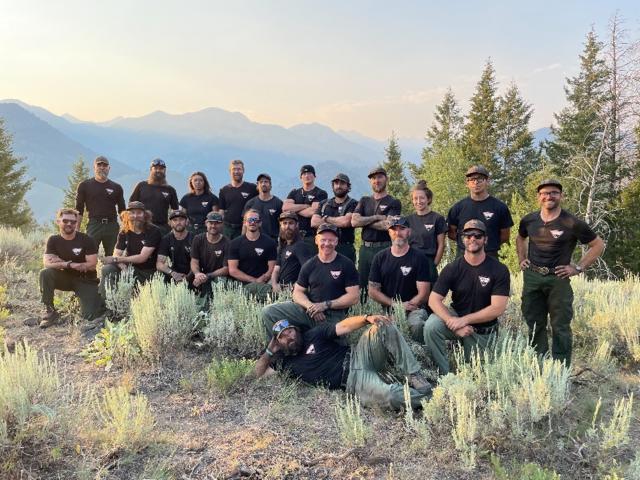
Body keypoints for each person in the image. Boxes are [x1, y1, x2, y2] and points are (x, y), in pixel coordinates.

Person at [255, 316, 432, 410]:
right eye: (283, 336)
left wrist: (367, 318)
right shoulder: (286, 364)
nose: (290, 336)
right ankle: (434, 399)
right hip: (354, 381)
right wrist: (269, 352)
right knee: (393, 396)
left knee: (382, 325)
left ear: (296, 330)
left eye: (290, 331)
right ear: (278, 343)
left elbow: (344, 326)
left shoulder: (314, 334)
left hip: (359, 354)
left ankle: (414, 375)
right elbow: (258, 375)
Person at [516, 179, 605, 366]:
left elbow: (598, 245)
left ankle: (560, 369)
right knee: (534, 323)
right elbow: (520, 237)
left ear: (561, 196)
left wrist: (578, 267)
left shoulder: (571, 222)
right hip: (532, 276)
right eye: (545, 193)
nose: (549, 196)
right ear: (539, 197)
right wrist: (521, 258)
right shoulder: (529, 220)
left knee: (560, 326)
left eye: (554, 193)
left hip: (559, 279)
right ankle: (539, 364)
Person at [425, 220, 510, 375]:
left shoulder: (499, 269)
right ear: (462, 239)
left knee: (476, 376)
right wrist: (454, 323)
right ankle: (444, 376)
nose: (472, 239)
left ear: (485, 239)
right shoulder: (452, 268)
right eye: (468, 235)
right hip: (457, 320)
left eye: (477, 235)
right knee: (431, 326)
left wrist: (465, 320)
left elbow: (498, 308)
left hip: (482, 330)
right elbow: (433, 300)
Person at [261, 223, 359, 338]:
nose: (327, 244)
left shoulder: (346, 264)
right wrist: (311, 307)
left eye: (331, 240)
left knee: (325, 345)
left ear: (336, 242)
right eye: (323, 240)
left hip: (334, 315)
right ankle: (277, 349)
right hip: (310, 312)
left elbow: (354, 297)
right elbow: (297, 292)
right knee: (268, 312)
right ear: (316, 241)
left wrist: (325, 305)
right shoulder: (310, 265)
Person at [368, 217, 435, 343]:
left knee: (416, 325)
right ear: (389, 232)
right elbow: (372, 291)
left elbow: (424, 294)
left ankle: (421, 355)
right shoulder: (379, 258)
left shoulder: (419, 258)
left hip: (414, 309)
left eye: (402, 229)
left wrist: (403, 309)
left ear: (409, 232)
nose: (398, 233)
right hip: (387, 309)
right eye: (394, 229)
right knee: (377, 331)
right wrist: (396, 305)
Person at [37, 208, 105, 329]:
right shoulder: (53, 240)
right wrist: (69, 265)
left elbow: (91, 265)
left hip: (86, 279)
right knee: (46, 273)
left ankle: (85, 301)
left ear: (76, 223)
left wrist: (60, 262)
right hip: (65, 278)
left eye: (73, 222)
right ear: (58, 222)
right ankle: (50, 311)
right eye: (65, 221)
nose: (69, 224)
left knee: (90, 315)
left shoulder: (86, 239)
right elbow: (47, 263)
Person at [351, 166, 402, 300]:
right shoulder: (364, 200)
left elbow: (388, 225)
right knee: (363, 285)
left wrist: (365, 221)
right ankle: (364, 315)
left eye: (380, 177)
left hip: (384, 247)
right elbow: (354, 222)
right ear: (370, 182)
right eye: (373, 178)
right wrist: (376, 217)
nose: (376, 181)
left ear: (386, 179)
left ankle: (388, 313)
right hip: (365, 249)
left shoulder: (394, 202)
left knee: (385, 282)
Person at [100, 201, 162, 299]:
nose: (135, 216)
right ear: (127, 215)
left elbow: (142, 258)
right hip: (130, 269)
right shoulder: (124, 232)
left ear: (145, 215)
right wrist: (123, 267)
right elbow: (116, 253)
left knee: (145, 299)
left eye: (139, 213)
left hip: (149, 272)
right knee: (107, 269)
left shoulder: (153, 231)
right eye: (132, 213)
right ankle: (108, 305)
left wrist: (117, 260)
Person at [447, 165, 513, 258]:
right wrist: (471, 245)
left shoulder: (500, 207)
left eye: (480, 179)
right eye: (472, 179)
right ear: (467, 183)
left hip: (490, 255)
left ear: (487, 181)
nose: (476, 182)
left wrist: (485, 245)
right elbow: (451, 234)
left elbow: (505, 236)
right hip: (463, 256)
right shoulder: (458, 208)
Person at [75, 156, 126, 256]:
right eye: (99, 165)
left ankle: (111, 272)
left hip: (112, 226)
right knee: (90, 254)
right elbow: (79, 209)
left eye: (105, 165)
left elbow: (122, 210)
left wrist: (126, 228)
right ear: (94, 167)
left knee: (114, 256)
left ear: (109, 168)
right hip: (94, 225)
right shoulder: (84, 185)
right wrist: (76, 229)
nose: (102, 167)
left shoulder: (116, 187)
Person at [227, 209, 278, 300]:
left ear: (260, 223)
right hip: (241, 284)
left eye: (256, 220)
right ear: (245, 223)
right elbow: (232, 270)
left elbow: (272, 268)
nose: (252, 223)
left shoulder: (270, 243)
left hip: (264, 283)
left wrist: (263, 278)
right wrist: (254, 281)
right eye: (250, 220)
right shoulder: (235, 243)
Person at [311, 173, 358, 263]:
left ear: (348, 187)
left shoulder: (353, 203)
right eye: (336, 183)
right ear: (333, 186)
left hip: (345, 248)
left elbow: (346, 222)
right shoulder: (324, 203)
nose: (338, 186)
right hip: (325, 248)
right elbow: (314, 222)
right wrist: (337, 221)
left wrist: (325, 218)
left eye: (342, 184)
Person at [406, 180, 446, 280]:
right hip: (410, 262)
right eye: (415, 198)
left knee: (430, 295)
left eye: (422, 198)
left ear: (428, 199)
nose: (418, 201)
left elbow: (441, 244)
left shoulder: (437, 218)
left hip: (428, 262)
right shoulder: (407, 220)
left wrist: (434, 265)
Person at [283, 164, 328, 252]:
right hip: (294, 235)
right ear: (301, 177)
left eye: (309, 173)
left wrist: (294, 210)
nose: (307, 176)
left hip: (311, 236)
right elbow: (285, 208)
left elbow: (312, 211)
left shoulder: (320, 193)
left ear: (314, 176)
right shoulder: (294, 192)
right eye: (304, 174)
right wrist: (305, 206)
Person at [129, 158, 179, 235]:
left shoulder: (170, 189)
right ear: (150, 169)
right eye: (155, 168)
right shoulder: (141, 186)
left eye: (161, 169)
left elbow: (175, 210)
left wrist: (172, 223)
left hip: (163, 228)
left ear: (164, 171)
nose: (158, 170)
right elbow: (131, 205)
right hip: (142, 226)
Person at [271, 212, 314, 294]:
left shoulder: (301, 246)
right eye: (284, 223)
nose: (287, 226)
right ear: (281, 225)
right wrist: (274, 285)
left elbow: (307, 271)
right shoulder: (282, 246)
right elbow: (276, 269)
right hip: (279, 288)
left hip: (293, 292)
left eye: (291, 223)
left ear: (296, 225)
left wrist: (293, 287)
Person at [190, 211, 229, 301]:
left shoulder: (227, 242)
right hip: (200, 275)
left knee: (221, 282)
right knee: (189, 280)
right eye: (211, 223)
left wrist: (208, 276)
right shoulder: (198, 239)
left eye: (217, 223)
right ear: (206, 223)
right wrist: (197, 274)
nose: (213, 226)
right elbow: (194, 261)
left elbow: (226, 269)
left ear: (222, 224)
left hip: (217, 276)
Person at [218, 159, 257, 239]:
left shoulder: (252, 188)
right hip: (227, 228)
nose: (236, 172)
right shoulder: (224, 190)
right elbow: (221, 211)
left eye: (239, 169)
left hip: (246, 227)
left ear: (243, 171)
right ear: (230, 171)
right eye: (234, 169)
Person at [156, 210, 195, 284]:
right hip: (174, 274)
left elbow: (198, 261)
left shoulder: (194, 238)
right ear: (170, 223)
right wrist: (173, 273)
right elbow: (159, 264)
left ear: (186, 221)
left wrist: (188, 277)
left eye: (181, 219)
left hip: (193, 273)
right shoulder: (166, 240)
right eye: (175, 220)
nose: (178, 222)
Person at [243, 173, 283, 240]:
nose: (263, 184)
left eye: (266, 182)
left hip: (272, 241)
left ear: (270, 185)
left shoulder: (278, 203)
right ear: (257, 186)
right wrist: (243, 241)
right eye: (261, 182)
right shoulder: (250, 203)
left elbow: (282, 225)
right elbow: (245, 225)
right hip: (254, 240)